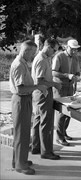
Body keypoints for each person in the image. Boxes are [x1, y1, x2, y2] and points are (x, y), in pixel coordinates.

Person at [9, 40, 47, 175]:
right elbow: (20, 88)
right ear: (26, 51)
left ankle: (19, 160)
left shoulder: (22, 63)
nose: (32, 56)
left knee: (23, 132)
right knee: (22, 134)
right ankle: (20, 165)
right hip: (21, 100)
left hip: (24, 99)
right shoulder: (19, 65)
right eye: (32, 53)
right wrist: (38, 87)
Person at [31, 38, 61, 160]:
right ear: (48, 47)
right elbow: (40, 80)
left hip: (39, 93)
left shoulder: (44, 57)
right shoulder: (42, 59)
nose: (54, 53)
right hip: (43, 92)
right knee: (46, 123)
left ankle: (36, 146)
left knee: (38, 120)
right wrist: (54, 84)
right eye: (54, 50)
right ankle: (46, 151)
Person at [52, 39, 81, 146]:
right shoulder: (59, 56)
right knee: (61, 112)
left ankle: (64, 132)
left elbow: (77, 71)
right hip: (60, 87)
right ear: (67, 47)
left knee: (69, 112)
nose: (74, 52)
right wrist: (67, 75)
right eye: (72, 49)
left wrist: (77, 77)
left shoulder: (75, 58)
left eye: (76, 50)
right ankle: (59, 137)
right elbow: (53, 72)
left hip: (70, 87)